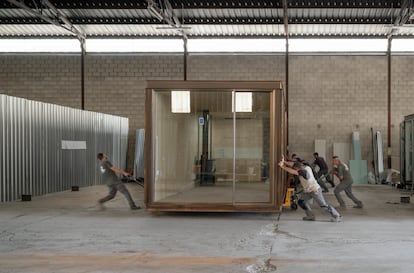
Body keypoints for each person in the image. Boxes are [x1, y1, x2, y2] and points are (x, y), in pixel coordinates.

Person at [279, 156, 342, 222]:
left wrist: (282, 167)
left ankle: (337, 216)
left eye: (296, 169)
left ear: (298, 169)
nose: (296, 169)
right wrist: (284, 162)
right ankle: (310, 215)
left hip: (315, 190)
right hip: (308, 191)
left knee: (323, 205)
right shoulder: (306, 166)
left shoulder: (304, 172)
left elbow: (292, 171)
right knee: (301, 202)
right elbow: (293, 164)